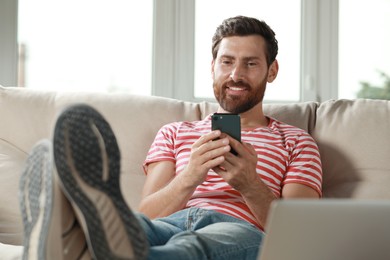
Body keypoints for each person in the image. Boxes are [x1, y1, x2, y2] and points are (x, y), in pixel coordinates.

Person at [19, 16, 322, 260]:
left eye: (250, 63)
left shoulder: (296, 142)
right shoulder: (176, 132)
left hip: (240, 231)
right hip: (167, 225)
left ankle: (74, 249)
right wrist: (190, 176)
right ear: (213, 68)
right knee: (133, 227)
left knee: (192, 248)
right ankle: (76, 235)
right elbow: (147, 212)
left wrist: (249, 184)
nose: (235, 74)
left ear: (272, 71)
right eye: (227, 62)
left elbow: (297, 237)